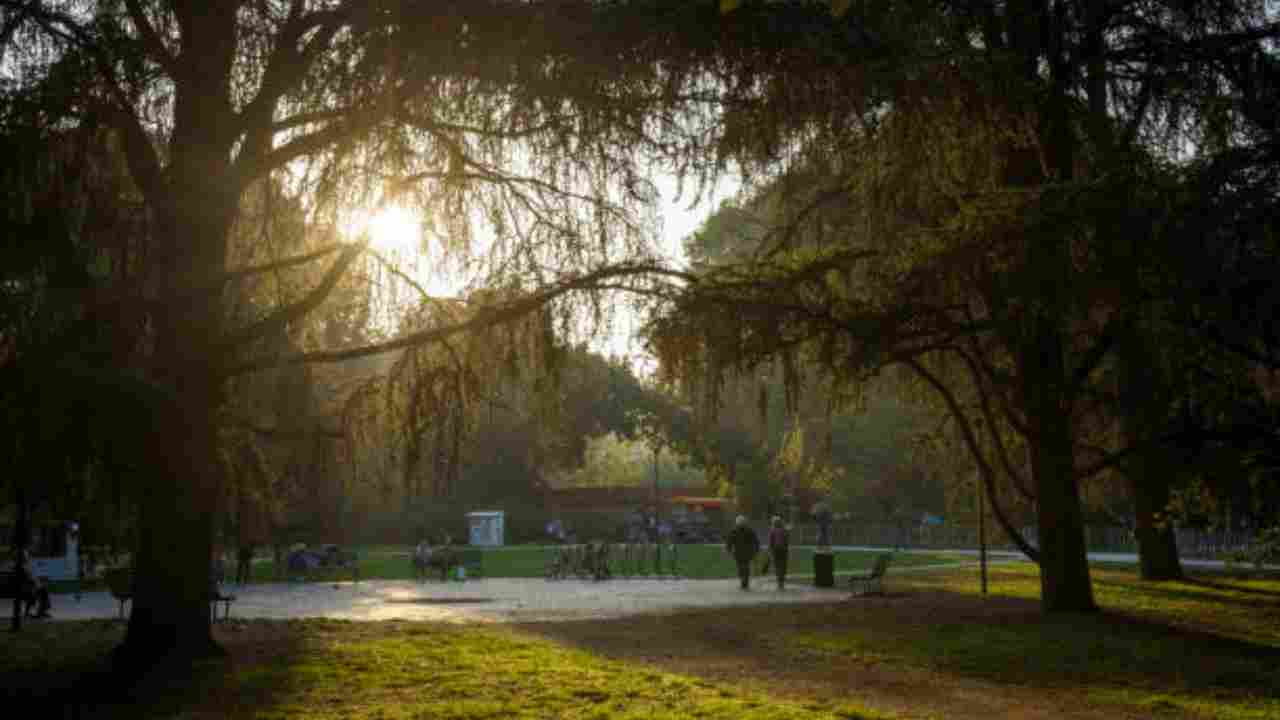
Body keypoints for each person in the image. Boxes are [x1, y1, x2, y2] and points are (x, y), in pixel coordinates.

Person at [725, 515, 760, 591]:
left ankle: (743, 582)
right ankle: (745, 582)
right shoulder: (749, 530)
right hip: (747, 552)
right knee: (745, 567)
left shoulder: (734, 531)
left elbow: (729, 542)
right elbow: (756, 541)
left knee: (741, 567)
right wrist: (756, 550)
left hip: (739, 553)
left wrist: (728, 549)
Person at [18, 546, 52, 618]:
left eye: (27, 555)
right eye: (26, 555)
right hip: (26, 589)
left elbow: (31, 577)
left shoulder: (26, 565)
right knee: (42, 592)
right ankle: (41, 611)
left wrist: (38, 583)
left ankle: (41, 611)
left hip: (29, 587)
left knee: (43, 591)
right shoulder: (22, 566)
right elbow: (28, 579)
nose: (28, 557)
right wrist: (37, 583)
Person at [767, 516, 790, 590]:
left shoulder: (772, 530)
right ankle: (781, 581)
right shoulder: (784, 530)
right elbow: (786, 541)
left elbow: (771, 542)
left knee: (777, 566)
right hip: (783, 550)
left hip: (776, 550)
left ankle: (779, 581)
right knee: (783, 565)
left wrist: (770, 550)